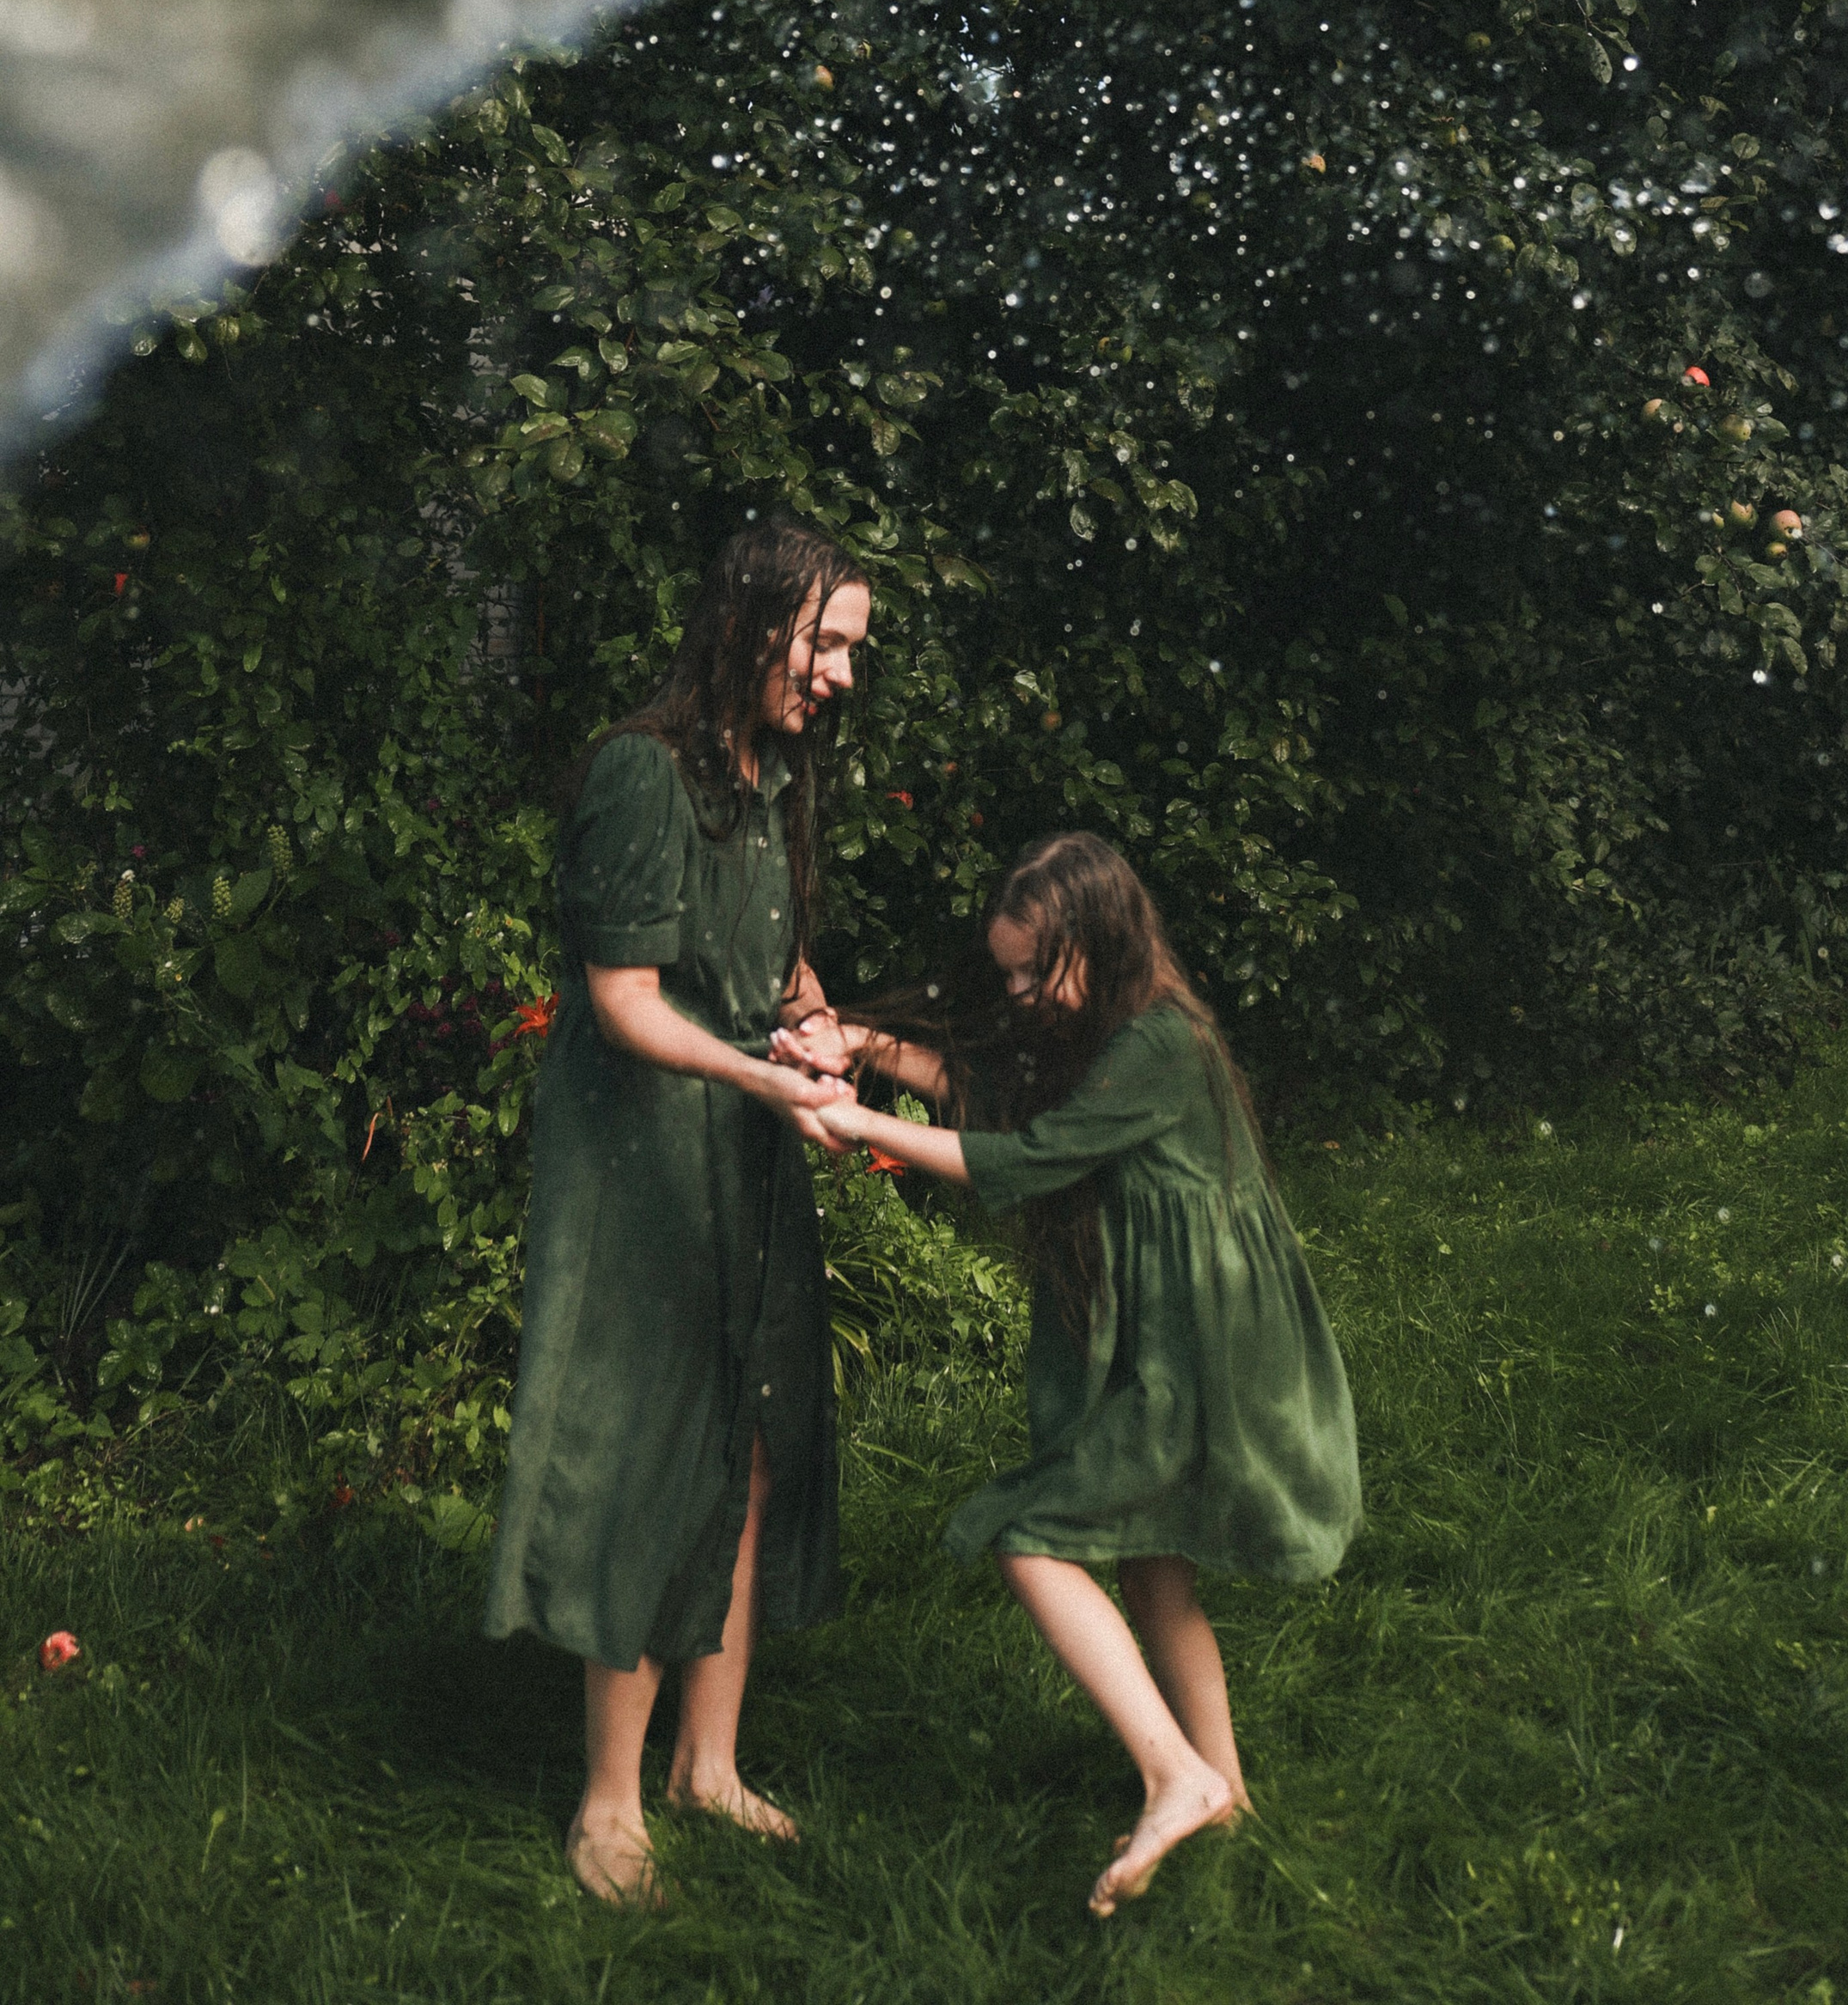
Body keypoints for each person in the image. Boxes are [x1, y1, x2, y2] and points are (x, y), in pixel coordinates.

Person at [772, 830, 1361, 1917]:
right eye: (1003, 971)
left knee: (1031, 1534)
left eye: (1031, 970)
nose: (1017, 991)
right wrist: (861, 1043)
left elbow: (1032, 1151)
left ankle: (1172, 1773)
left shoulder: (1159, 1041)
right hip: (1165, 1325)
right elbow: (991, 1095)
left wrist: (858, 1120)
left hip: (1201, 1338)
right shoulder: (1099, 1021)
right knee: (1146, 1558)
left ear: (1099, 941)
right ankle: (1221, 1789)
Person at [484, 518, 869, 1904]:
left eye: (850, 654)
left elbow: (772, 948)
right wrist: (762, 1074)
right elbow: (627, 1003)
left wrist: (822, 1030)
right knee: (656, 1451)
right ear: (750, 623)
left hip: (745, 1140)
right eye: (821, 641)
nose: (836, 674)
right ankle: (606, 1806)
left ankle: (707, 1768)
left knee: (757, 1442)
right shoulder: (641, 775)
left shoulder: (766, 782)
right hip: (645, 1155)